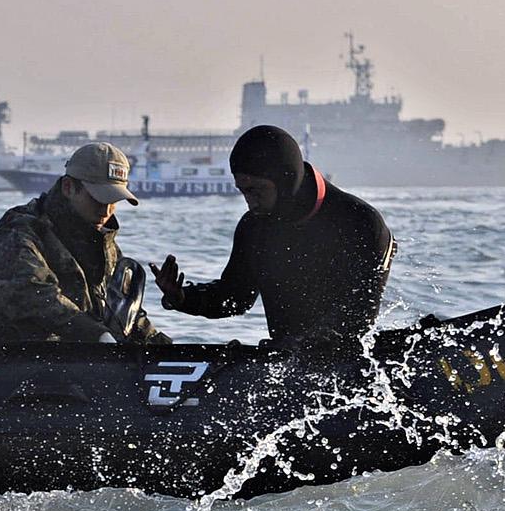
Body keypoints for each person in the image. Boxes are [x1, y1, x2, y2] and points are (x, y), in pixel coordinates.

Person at [152, 125, 394, 357]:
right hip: (282, 363)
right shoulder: (255, 226)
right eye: (243, 192)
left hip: (344, 368)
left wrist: (299, 349)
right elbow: (235, 299)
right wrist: (182, 298)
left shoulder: (361, 224)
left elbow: (358, 316)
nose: (250, 202)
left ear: (285, 181)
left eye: (256, 191)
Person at [0, 142, 169, 343]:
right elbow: (31, 296)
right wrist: (97, 336)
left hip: (69, 358)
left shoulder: (102, 242)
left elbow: (120, 309)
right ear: (68, 188)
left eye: (113, 200)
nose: (106, 209)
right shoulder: (19, 232)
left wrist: (162, 348)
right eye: (98, 198)